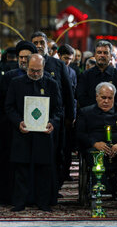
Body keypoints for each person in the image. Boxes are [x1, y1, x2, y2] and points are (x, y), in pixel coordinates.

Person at [5, 54, 62, 212]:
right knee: (21, 169)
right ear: (26, 67)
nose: (35, 74)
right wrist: (18, 123)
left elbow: (58, 109)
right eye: (32, 70)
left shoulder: (51, 84)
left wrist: (53, 122)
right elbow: (9, 107)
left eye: (38, 71)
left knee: (43, 169)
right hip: (22, 132)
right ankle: (19, 202)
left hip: (44, 134)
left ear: (44, 68)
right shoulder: (16, 83)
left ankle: (43, 202)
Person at [31, 31, 74, 199]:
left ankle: (54, 189)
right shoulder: (29, 64)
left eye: (42, 42)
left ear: (48, 45)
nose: (39, 45)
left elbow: (68, 93)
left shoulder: (58, 65)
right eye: (35, 42)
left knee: (57, 154)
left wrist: (70, 116)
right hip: (33, 119)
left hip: (55, 118)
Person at [76, 82, 117, 198]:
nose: (106, 101)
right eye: (103, 97)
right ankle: (103, 187)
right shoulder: (86, 112)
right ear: (96, 97)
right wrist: (94, 143)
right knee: (93, 154)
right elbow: (79, 133)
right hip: (97, 148)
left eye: (110, 98)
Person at [0, 40, 38, 205]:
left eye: (27, 57)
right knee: (9, 165)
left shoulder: (41, 76)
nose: (23, 60)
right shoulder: (10, 77)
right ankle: (7, 197)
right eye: (21, 57)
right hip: (10, 128)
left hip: (33, 129)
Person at [76, 40, 117, 108]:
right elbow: (81, 97)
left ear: (110, 56)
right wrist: (97, 109)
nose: (102, 55)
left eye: (105, 53)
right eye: (99, 52)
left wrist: (110, 109)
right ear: (95, 55)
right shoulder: (85, 75)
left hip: (114, 114)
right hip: (91, 115)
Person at [58, 44, 77, 181]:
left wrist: (73, 114)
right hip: (58, 113)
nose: (67, 61)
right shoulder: (54, 68)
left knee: (68, 146)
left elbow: (74, 95)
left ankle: (66, 172)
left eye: (70, 59)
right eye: (65, 58)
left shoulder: (73, 73)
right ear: (59, 56)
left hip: (68, 114)